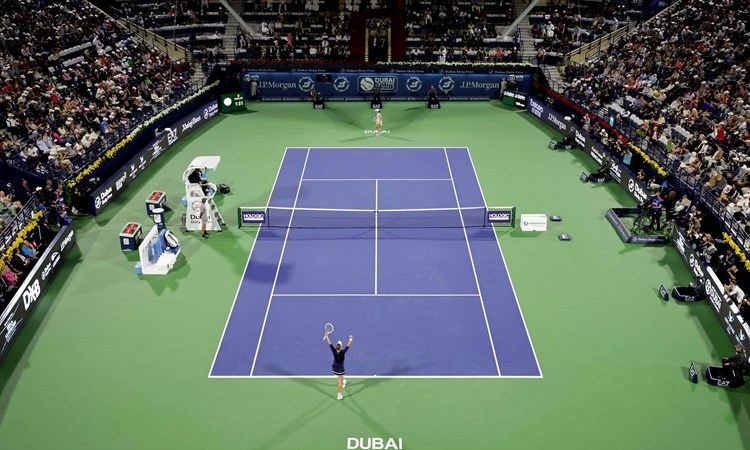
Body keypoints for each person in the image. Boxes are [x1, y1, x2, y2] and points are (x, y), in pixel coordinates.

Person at [324, 331, 353, 400]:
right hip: (340, 369)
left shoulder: (334, 351)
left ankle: (343, 381)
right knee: (339, 383)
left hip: (334, 368)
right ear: (340, 347)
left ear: (336, 347)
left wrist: (327, 336)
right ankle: (339, 395)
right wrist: (350, 339)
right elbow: (348, 345)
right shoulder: (343, 352)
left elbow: (329, 343)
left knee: (341, 377)